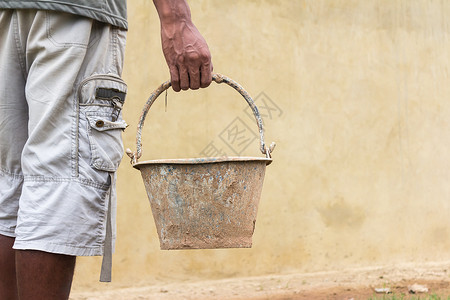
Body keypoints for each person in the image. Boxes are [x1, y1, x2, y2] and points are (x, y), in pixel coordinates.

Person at [0, 0, 213, 299]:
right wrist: (176, 18)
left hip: (8, 12)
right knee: (59, 178)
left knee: (10, 187)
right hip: (75, 12)